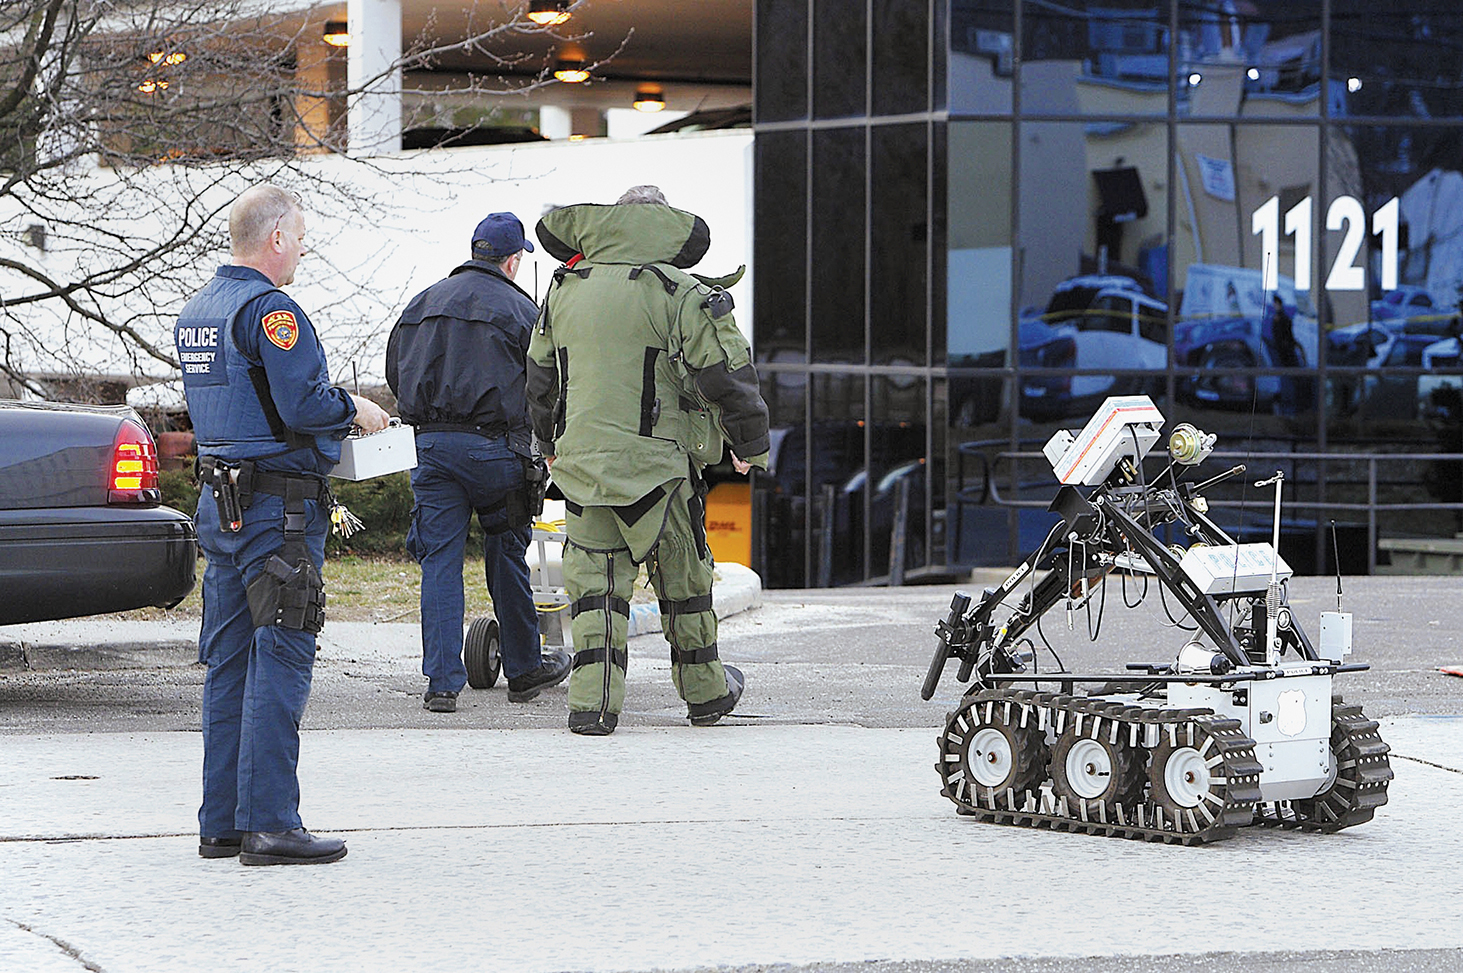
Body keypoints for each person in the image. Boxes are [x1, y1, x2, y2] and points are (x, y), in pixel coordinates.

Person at [175, 184, 389, 865]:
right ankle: (271, 822)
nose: (302, 248)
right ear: (274, 239)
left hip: (222, 504)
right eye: (299, 237)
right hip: (277, 512)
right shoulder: (272, 311)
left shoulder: (200, 310)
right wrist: (354, 406)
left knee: (229, 660)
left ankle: (223, 823)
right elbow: (303, 405)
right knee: (284, 651)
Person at [526, 185, 771, 736]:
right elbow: (727, 376)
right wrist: (750, 447)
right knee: (684, 580)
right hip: (658, 472)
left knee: (595, 590)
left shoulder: (565, 289)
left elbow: (540, 378)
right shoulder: (679, 291)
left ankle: (593, 706)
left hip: (582, 469)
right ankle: (706, 695)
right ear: (663, 227)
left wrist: (547, 443)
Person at [386, 213, 571, 713]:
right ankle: (524, 670)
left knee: (439, 562)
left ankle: (442, 684)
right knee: (505, 553)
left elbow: (395, 373)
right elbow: (546, 387)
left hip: (431, 450)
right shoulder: (521, 310)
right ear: (512, 260)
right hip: (497, 452)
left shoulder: (421, 303)